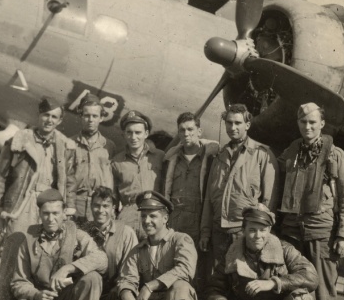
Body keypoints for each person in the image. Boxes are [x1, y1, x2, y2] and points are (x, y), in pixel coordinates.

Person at [0, 96, 77, 300]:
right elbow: (0, 175)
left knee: (45, 268)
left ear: (60, 121)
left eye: (55, 117)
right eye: (46, 115)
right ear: (39, 116)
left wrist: (66, 213)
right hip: (20, 209)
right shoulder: (19, 140)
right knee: (10, 269)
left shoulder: (65, 146)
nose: (49, 121)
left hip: (49, 212)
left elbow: (68, 183)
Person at [277, 102, 344, 300]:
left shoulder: (335, 155)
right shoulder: (291, 153)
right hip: (291, 235)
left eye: (312, 122)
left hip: (321, 234)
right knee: (292, 294)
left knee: (324, 298)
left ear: (322, 124)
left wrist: (343, 234)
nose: (307, 127)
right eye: (303, 122)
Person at [198, 206, 319, 300]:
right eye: (252, 230)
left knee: (303, 299)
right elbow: (213, 289)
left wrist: (275, 282)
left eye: (263, 230)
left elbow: (311, 276)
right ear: (244, 230)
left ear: (269, 230)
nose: (258, 236)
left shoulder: (284, 249)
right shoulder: (232, 253)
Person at [10, 189, 108, 300]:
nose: (51, 218)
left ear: (64, 213)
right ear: (39, 214)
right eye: (46, 213)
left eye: (55, 213)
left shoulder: (77, 235)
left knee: (92, 278)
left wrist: (68, 268)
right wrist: (36, 294)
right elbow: (18, 282)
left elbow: (101, 259)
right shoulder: (28, 240)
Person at [104, 191, 198, 300]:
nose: (147, 221)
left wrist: (149, 287)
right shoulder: (138, 250)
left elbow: (185, 270)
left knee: (180, 289)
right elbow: (127, 277)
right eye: (144, 216)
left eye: (153, 216)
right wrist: (126, 293)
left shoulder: (181, 240)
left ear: (165, 218)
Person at [200, 104, 279, 265]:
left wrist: (259, 234)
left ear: (247, 125)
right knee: (219, 280)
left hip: (244, 232)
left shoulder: (262, 155)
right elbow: (209, 197)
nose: (232, 127)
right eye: (229, 123)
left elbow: (269, 200)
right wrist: (205, 232)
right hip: (218, 232)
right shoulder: (219, 157)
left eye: (238, 123)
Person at [163, 112, 218, 290]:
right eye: (182, 130)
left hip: (197, 225)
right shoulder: (171, 159)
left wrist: (205, 232)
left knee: (196, 272)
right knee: (170, 268)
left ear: (199, 131)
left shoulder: (210, 159)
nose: (186, 134)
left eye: (190, 129)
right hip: (174, 223)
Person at [79, 186, 138, 300]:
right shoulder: (83, 231)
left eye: (105, 206)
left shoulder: (126, 233)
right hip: (89, 295)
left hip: (113, 294)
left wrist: (120, 289)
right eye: (96, 205)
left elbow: (131, 268)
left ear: (113, 208)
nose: (100, 210)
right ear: (91, 207)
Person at [112, 110, 165, 240]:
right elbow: (113, 198)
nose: (133, 137)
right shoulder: (116, 162)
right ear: (123, 134)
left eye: (138, 132)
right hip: (127, 217)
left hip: (154, 215)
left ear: (146, 134)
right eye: (129, 132)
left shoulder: (160, 157)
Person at [71, 94, 116, 224]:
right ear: (80, 116)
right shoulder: (69, 144)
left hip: (100, 206)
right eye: (86, 115)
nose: (90, 120)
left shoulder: (109, 146)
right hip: (76, 204)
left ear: (101, 118)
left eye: (95, 116)